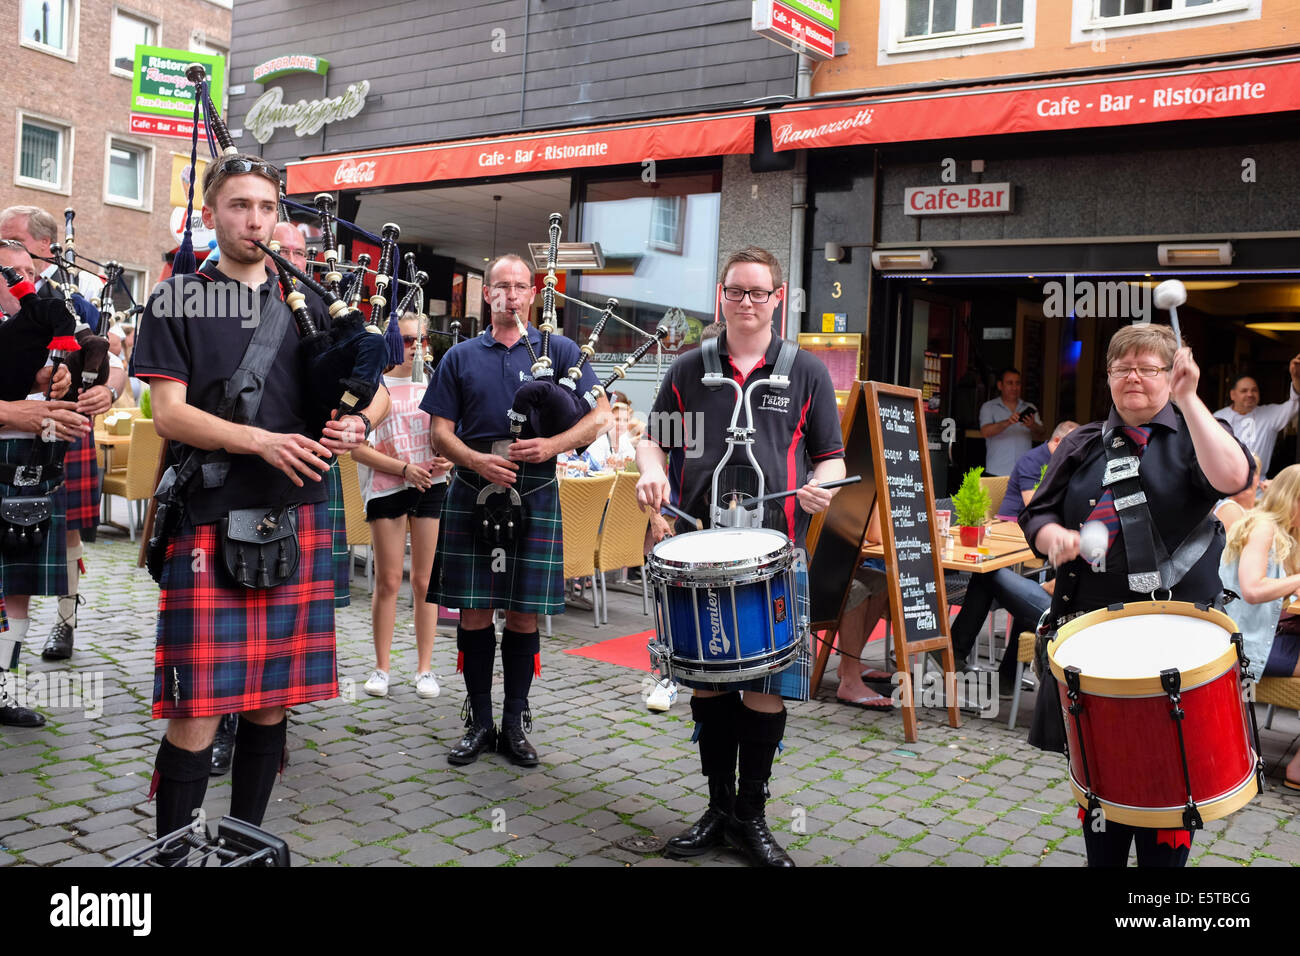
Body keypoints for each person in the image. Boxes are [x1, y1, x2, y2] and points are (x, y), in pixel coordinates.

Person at [130, 152, 369, 858]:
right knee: (197, 713)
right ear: (211, 215)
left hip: (297, 518)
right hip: (210, 517)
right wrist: (260, 441)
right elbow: (168, 413)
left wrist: (361, 421)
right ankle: (172, 854)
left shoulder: (307, 304)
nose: (255, 220)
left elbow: (370, 385)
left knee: (271, 705)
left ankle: (244, 846)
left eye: (267, 207)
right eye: (239, 206)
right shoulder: (180, 298)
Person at [636, 246, 846, 867]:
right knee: (707, 686)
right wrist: (651, 478)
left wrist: (822, 487)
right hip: (695, 549)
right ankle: (718, 809)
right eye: (736, 291)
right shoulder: (687, 369)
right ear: (721, 294)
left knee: (764, 687)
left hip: (774, 553)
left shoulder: (806, 370)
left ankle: (751, 816)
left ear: (778, 298)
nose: (747, 302)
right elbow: (653, 442)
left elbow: (831, 458)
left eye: (758, 292)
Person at [1020, 323, 1253, 868]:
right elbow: (1039, 511)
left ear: (1170, 376)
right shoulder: (1080, 443)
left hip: (1176, 644)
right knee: (1103, 783)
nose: (1134, 378)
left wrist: (1190, 399)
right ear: (1107, 378)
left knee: (1169, 789)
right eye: (1123, 368)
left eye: (1150, 369)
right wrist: (1050, 536)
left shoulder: (1198, 433)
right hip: (1092, 641)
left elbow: (1234, 476)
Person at [422, 253, 610, 768]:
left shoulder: (563, 349)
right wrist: (475, 459)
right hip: (473, 484)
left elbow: (599, 418)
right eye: (500, 286)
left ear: (533, 294)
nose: (510, 294)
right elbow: (438, 432)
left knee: (524, 613)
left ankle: (515, 721)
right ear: (488, 294)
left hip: (535, 488)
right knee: (475, 607)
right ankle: (479, 720)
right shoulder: (459, 356)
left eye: (520, 286)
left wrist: (553, 447)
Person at [0, 211, 122, 662]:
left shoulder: (70, 297)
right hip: (16, 434)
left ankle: (64, 625)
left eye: (15, 242)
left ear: (45, 247)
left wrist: (106, 391)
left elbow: (115, 361)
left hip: (56, 436)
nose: (15, 264)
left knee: (56, 539)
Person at [0, 262, 87, 727]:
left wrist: (51, 383)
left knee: (16, 591)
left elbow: (100, 361)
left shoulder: (34, 320)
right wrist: (17, 414)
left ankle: (2, 687)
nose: (25, 280)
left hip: (27, 470)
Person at [353, 312, 451, 700]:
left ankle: (425, 668)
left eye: (421, 340)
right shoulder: (373, 385)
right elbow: (356, 448)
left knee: (426, 582)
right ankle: (382, 667)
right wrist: (403, 468)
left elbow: (447, 435)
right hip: (387, 484)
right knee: (389, 579)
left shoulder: (435, 382)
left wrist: (448, 459)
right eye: (408, 340)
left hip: (431, 483)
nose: (415, 348)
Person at [1218, 463, 1300, 790]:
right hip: (1246, 643)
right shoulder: (1263, 527)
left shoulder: (1286, 534)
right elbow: (1251, 589)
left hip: (1268, 635)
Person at [1214, 359, 1300, 476]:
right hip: (1224, 484)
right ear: (1232, 395)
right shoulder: (1218, 417)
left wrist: (1296, 378)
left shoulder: (1269, 415)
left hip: (1257, 486)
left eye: (1254, 390)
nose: (1250, 394)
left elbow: (1295, 403)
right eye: (1244, 391)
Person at [995, 421, 1079, 521]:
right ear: (1057, 440)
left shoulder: (1065, 460)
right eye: (1074, 444)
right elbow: (1032, 503)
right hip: (1015, 519)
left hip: (1044, 518)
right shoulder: (1031, 460)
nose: (1077, 449)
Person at [979, 367, 1046, 476]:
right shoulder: (989, 407)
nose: (1014, 387)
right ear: (1000, 385)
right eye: (1010, 383)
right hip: (997, 471)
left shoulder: (1029, 407)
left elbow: (1042, 433)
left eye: (1017, 383)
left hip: (1024, 472)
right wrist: (1007, 422)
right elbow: (985, 432)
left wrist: (1032, 425)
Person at [1214, 454, 1262, 534]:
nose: (1248, 478)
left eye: (1253, 472)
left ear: (1259, 479)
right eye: (1243, 472)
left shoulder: (1259, 508)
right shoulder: (1230, 509)